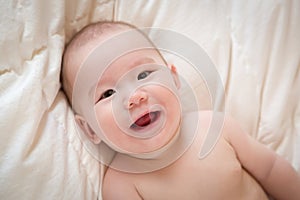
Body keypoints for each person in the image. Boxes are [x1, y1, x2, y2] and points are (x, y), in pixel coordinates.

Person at [61, 21, 300, 200]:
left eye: (143, 74)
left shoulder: (214, 127)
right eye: (108, 94)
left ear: (174, 78)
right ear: (89, 128)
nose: (133, 98)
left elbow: (270, 169)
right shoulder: (122, 185)